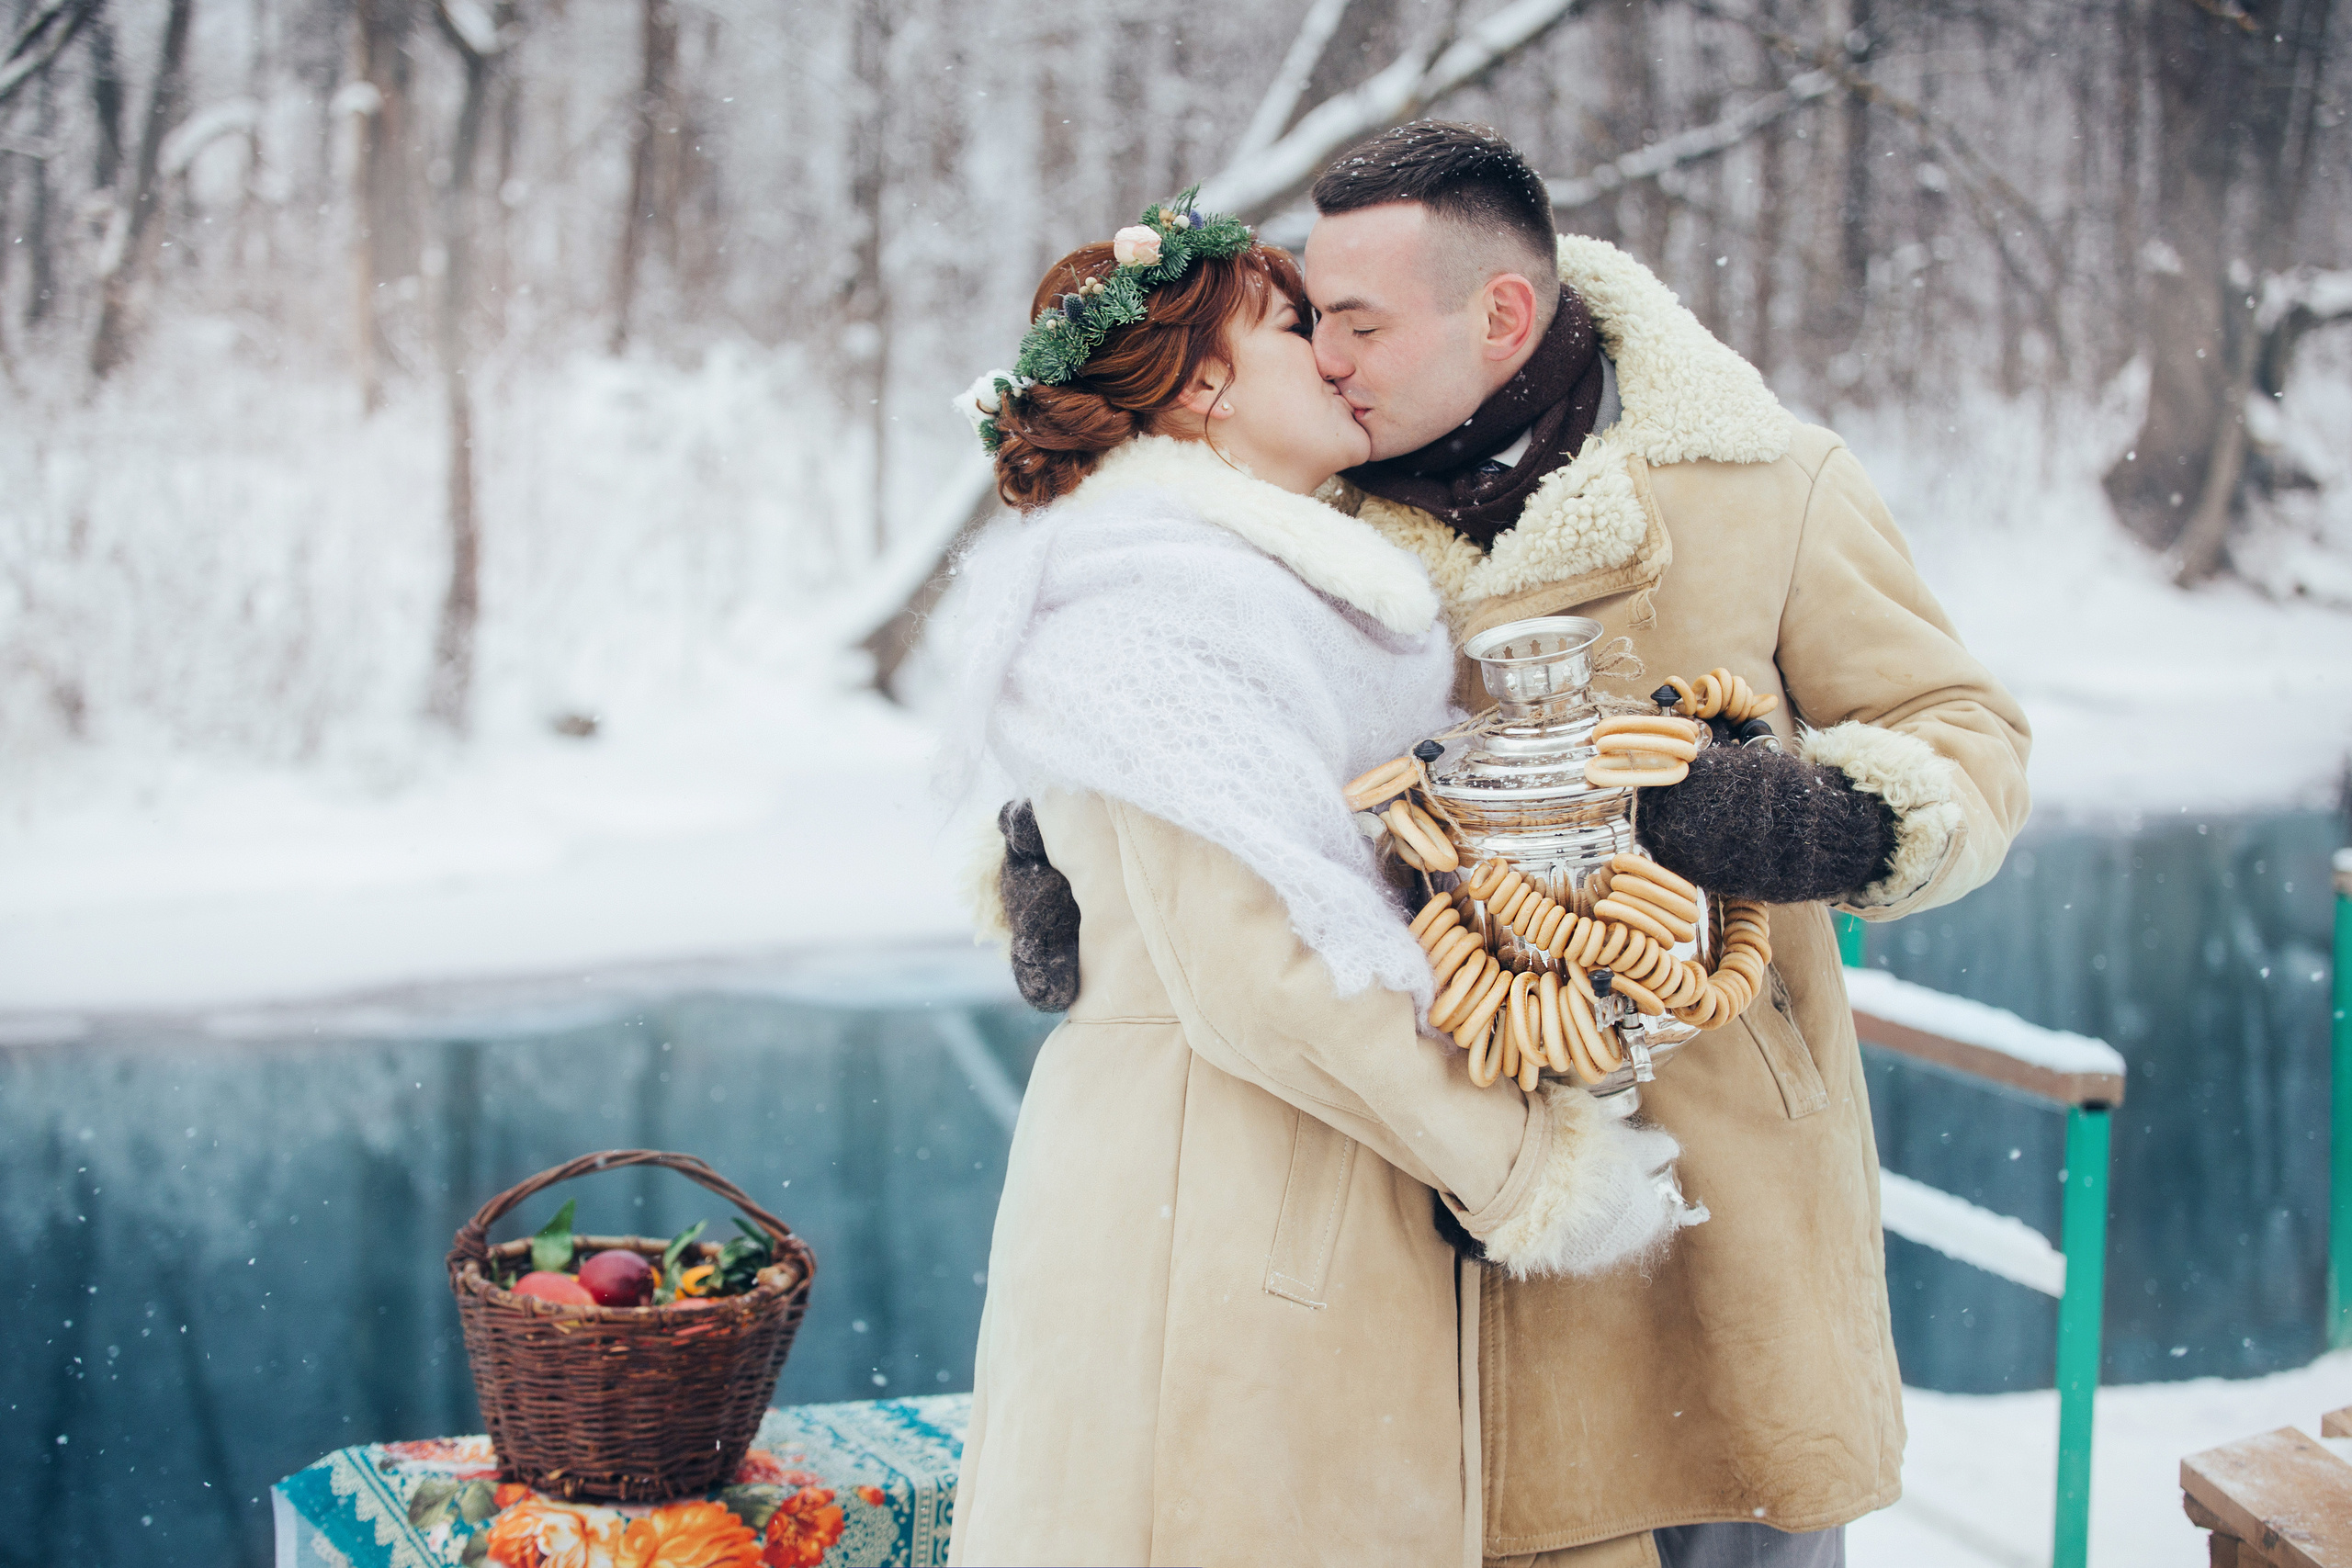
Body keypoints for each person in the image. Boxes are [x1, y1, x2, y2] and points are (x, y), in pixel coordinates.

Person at [1301, 123, 2035, 1567]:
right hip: (1429, 1198)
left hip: (1722, 1199)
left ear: (1499, 314)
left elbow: (1968, 734)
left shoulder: (1765, 484)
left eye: (1360, 321)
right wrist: (1083, 861)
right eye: (1317, 315)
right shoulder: (1301, 522)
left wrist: (1819, 817)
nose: (1322, 354)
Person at [941, 194, 1694, 1568]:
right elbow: (1264, 967)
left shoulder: (1256, 583)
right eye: (1298, 329)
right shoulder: (1159, 600)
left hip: (1273, 1186)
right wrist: (1529, 1165)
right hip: (1218, 1214)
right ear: (1205, 385)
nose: (1335, 358)